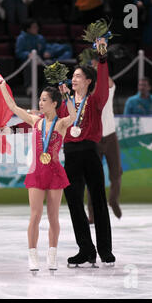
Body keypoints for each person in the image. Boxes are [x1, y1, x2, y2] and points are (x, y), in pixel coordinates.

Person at [0, 81, 76, 272]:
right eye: (40, 99)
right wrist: (2, 87)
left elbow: (74, 115)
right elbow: (13, 107)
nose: (40, 103)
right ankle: (32, 256)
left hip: (55, 173)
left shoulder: (62, 123)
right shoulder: (35, 121)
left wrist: (67, 95)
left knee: (53, 216)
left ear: (54, 103)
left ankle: (52, 255)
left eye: (44, 100)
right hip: (37, 172)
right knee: (35, 215)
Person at [57, 38, 116, 267]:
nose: (73, 78)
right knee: (73, 202)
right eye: (73, 76)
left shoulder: (95, 100)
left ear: (88, 80)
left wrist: (102, 58)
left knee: (99, 202)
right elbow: (52, 121)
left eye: (78, 76)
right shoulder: (65, 104)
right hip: (70, 154)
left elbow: (103, 83)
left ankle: (105, 250)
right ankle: (86, 249)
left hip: (90, 152)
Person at [87, 56, 122, 223]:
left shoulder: (108, 87)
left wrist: (99, 66)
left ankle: (113, 200)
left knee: (116, 172)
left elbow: (107, 81)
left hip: (110, 134)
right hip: (94, 138)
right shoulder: (88, 92)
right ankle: (92, 214)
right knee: (93, 176)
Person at [15, 19, 72, 95]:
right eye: (34, 27)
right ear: (28, 29)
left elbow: (44, 49)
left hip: (40, 60)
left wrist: (47, 52)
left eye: (37, 27)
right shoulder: (21, 38)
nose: (36, 29)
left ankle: (47, 87)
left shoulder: (40, 38)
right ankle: (29, 87)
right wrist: (27, 54)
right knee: (29, 65)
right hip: (26, 61)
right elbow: (18, 52)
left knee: (50, 64)